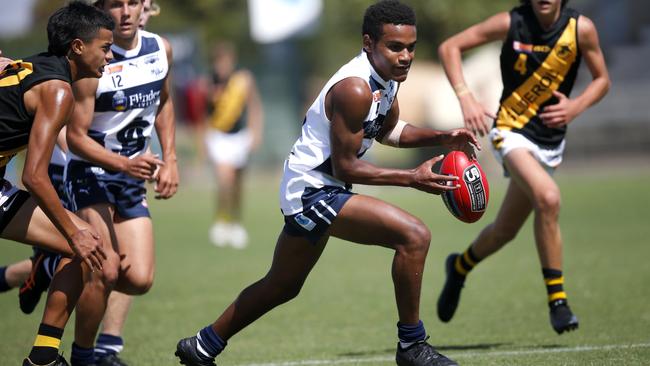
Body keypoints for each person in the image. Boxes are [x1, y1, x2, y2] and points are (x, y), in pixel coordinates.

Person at [175, 1, 478, 365]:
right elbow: (346, 166)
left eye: (410, 47)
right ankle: (412, 346)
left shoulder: (386, 79)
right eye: (395, 47)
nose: (406, 56)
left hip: (318, 186)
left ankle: (203, 345)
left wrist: (445, 137)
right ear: (369, 43)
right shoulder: (355, 89)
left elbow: (389, 131)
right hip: (312, 190)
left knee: (282, 285)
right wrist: (412, 177)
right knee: (414, 236)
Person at [436, 0, 610, 334]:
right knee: (548, 197)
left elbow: (602, 80)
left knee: (504, 231)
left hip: (550, 143)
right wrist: (465, 97)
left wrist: (575, 107)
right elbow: (450, 47)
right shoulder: (510, 22)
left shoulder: (581, 29)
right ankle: (558, 301)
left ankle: (459, 267)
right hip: (510, 132)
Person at [61, 0, 178, 365]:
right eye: (115, 4)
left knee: (139, 278)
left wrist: (171, 158)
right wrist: (123, 164)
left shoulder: (161, 49)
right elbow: (76, 136)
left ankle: (58, 269)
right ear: (100, 8)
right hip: (89, 172)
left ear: (144, 6)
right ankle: (84, 357)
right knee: (106, 268)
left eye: (132, 3)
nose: (125, 12)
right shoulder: (93, 57)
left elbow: (164, 102)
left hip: (129, 176)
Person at [0, 2, 115, 365]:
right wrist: (73, 231)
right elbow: (34, 175)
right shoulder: (59, 91)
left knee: (85, 245)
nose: (109, 58)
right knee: (82, 240)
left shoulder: (35, 66)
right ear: (78, 47)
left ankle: (44, 357)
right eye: (105, 47)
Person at [205, 42, 264, 249]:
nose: (222, 66)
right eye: (219, 62)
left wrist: (255, 132)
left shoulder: (243, 79)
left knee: (237, 183)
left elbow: (255, 106)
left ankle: (236, 222)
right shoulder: (208, 83)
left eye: (226, 61)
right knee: (225, 180)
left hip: (239, 137)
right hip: (218, 137)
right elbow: (203, 115)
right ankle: (221, 221)